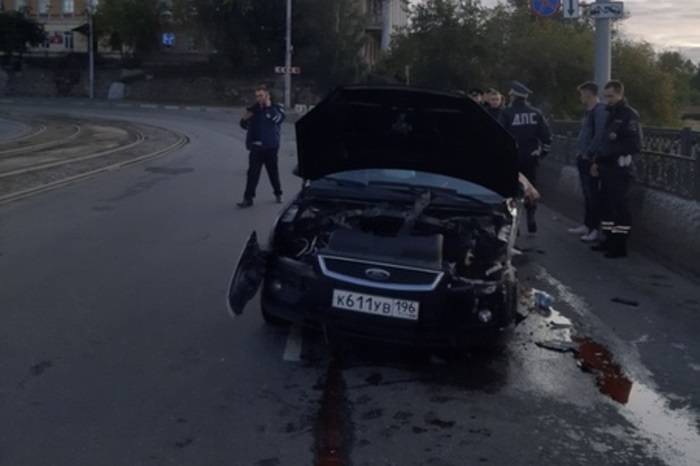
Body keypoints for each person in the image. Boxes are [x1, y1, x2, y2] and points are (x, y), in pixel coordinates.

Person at [590, 79, 643, 258]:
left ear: (621, 94)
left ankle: (620, 245)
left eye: (611, 96)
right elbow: (604, 141)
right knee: (606, 206)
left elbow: (635, 144)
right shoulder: (610, 113)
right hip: (607, 167)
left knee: (618, 208)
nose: (608, 99)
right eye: (606, 96)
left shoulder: (629, 115)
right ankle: (608, 239)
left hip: (620, 170)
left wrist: (612, 154)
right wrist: (597, 161)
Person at [502, 80, 552, 233]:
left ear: (514, 96)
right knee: (530, 188)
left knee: (510, 190)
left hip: (512, 158)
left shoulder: (506, 113)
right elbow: (546, 137)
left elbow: (500, 135)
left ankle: (513, 224)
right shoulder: (536, 113)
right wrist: (541, 154)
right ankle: (531, 217)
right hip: (530, 157)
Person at [568, 81, 607, 242]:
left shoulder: (599, 111)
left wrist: (590, 154)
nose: (581, 97)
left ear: (588, 94)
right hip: (582, 156)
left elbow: (599, 135)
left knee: (593, 195)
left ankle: (594, 229)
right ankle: (587, 224)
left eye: (582, 93)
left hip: (590, 159)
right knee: (586, 193)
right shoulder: (588, 112)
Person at [237, 85, 285, 208]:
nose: (259, 98)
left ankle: (278, 193)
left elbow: (278, 119)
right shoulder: (254, 110)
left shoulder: (276, 108)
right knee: (252, 173)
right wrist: (244, 120)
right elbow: (244, 125)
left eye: (261, 96)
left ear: (267, 95)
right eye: (257, 96)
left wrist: (269, 107)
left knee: (273, 173)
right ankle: (248, 199)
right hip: (256, 147)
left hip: (270, 147)